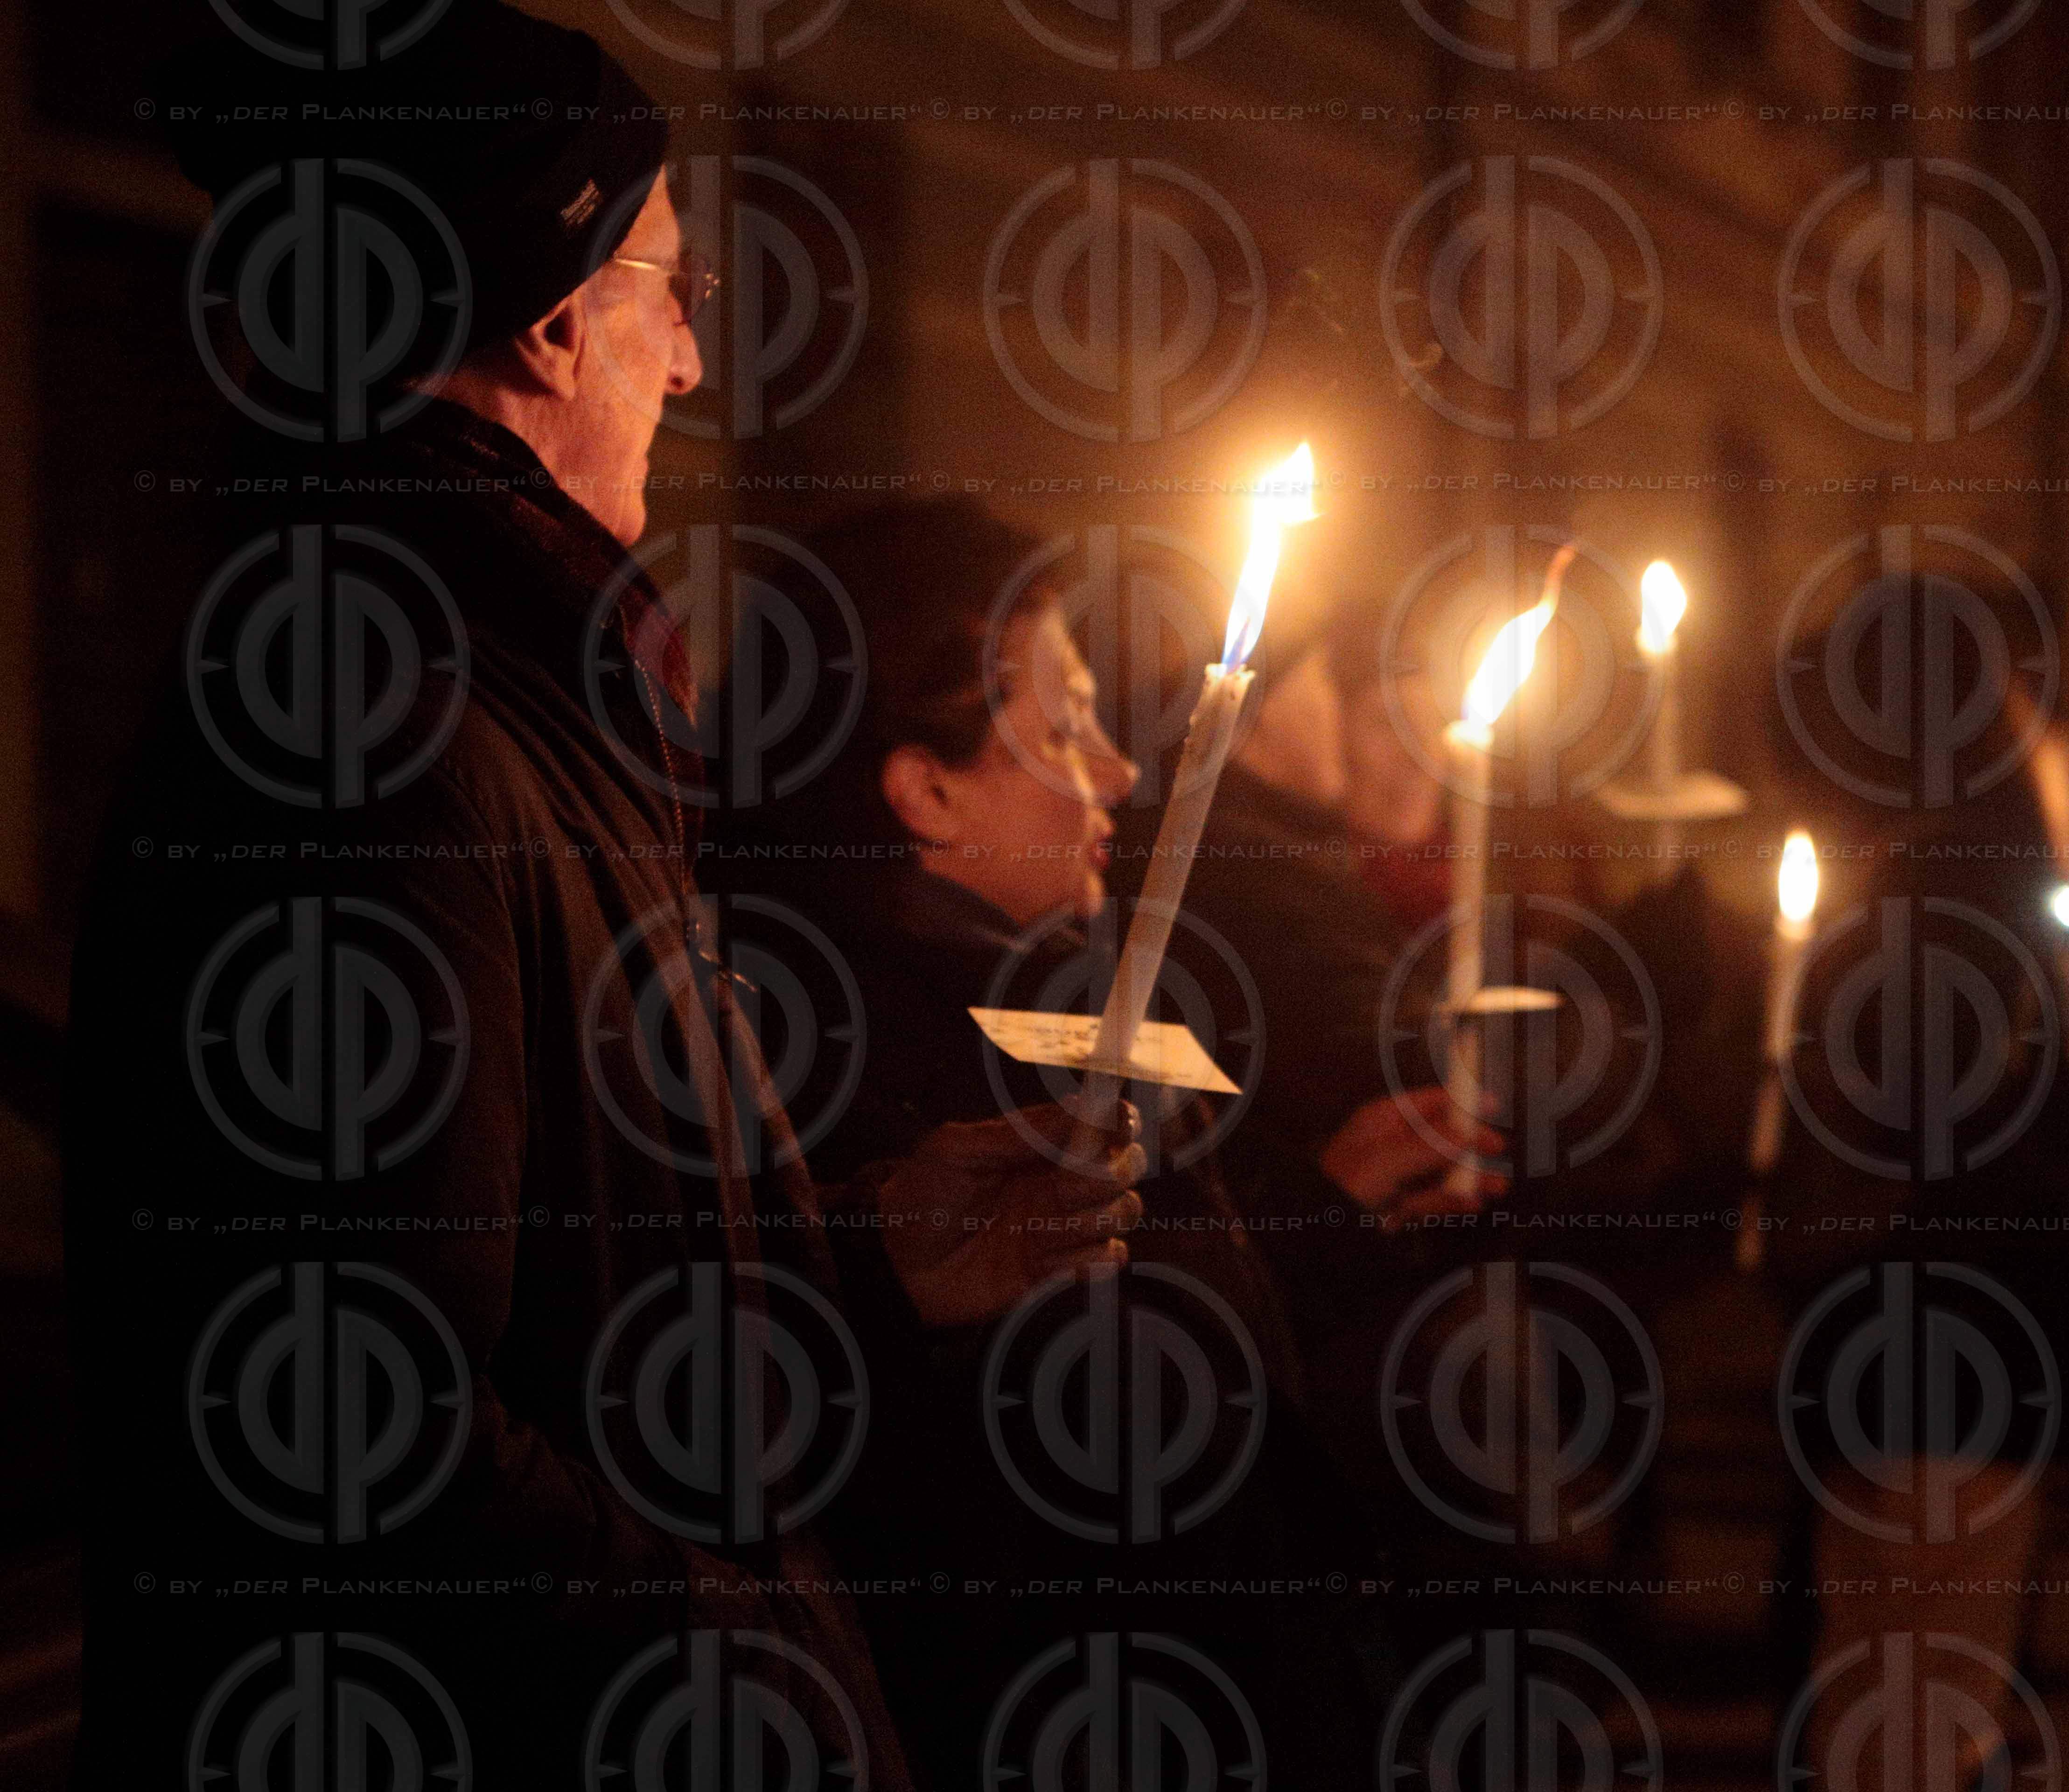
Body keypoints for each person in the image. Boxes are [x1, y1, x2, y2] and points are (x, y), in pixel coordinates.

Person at [62, 15, 1138, 1789]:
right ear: (556, 314)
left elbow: (583, 1278)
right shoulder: (367, 749)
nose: (695, 359)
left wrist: (865, 1264)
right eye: (671, 284)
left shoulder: (520, 693)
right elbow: (351, 1413)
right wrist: (731, 1666)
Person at [704, 497, 1440, 1787]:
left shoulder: (1036, 990)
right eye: (1062, 728)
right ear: (924, 789)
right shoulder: (869, 1060)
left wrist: (1322, 1220)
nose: (1118, 770)